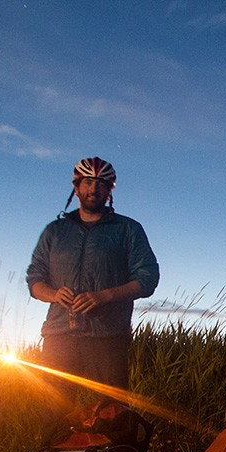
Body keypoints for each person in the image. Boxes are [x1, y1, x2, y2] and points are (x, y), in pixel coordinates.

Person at [26, 156, 159, 399]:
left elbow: (148, 277)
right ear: (76, 187)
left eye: (101, 184)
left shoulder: (128, 229)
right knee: (54, 412)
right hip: (58, 336)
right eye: (87, 183)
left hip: (107, 336)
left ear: (109, 191)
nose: (93, 189)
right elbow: (34, 278)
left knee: (112, 412)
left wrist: (104, 296)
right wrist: (54, 294)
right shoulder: (55, 232)